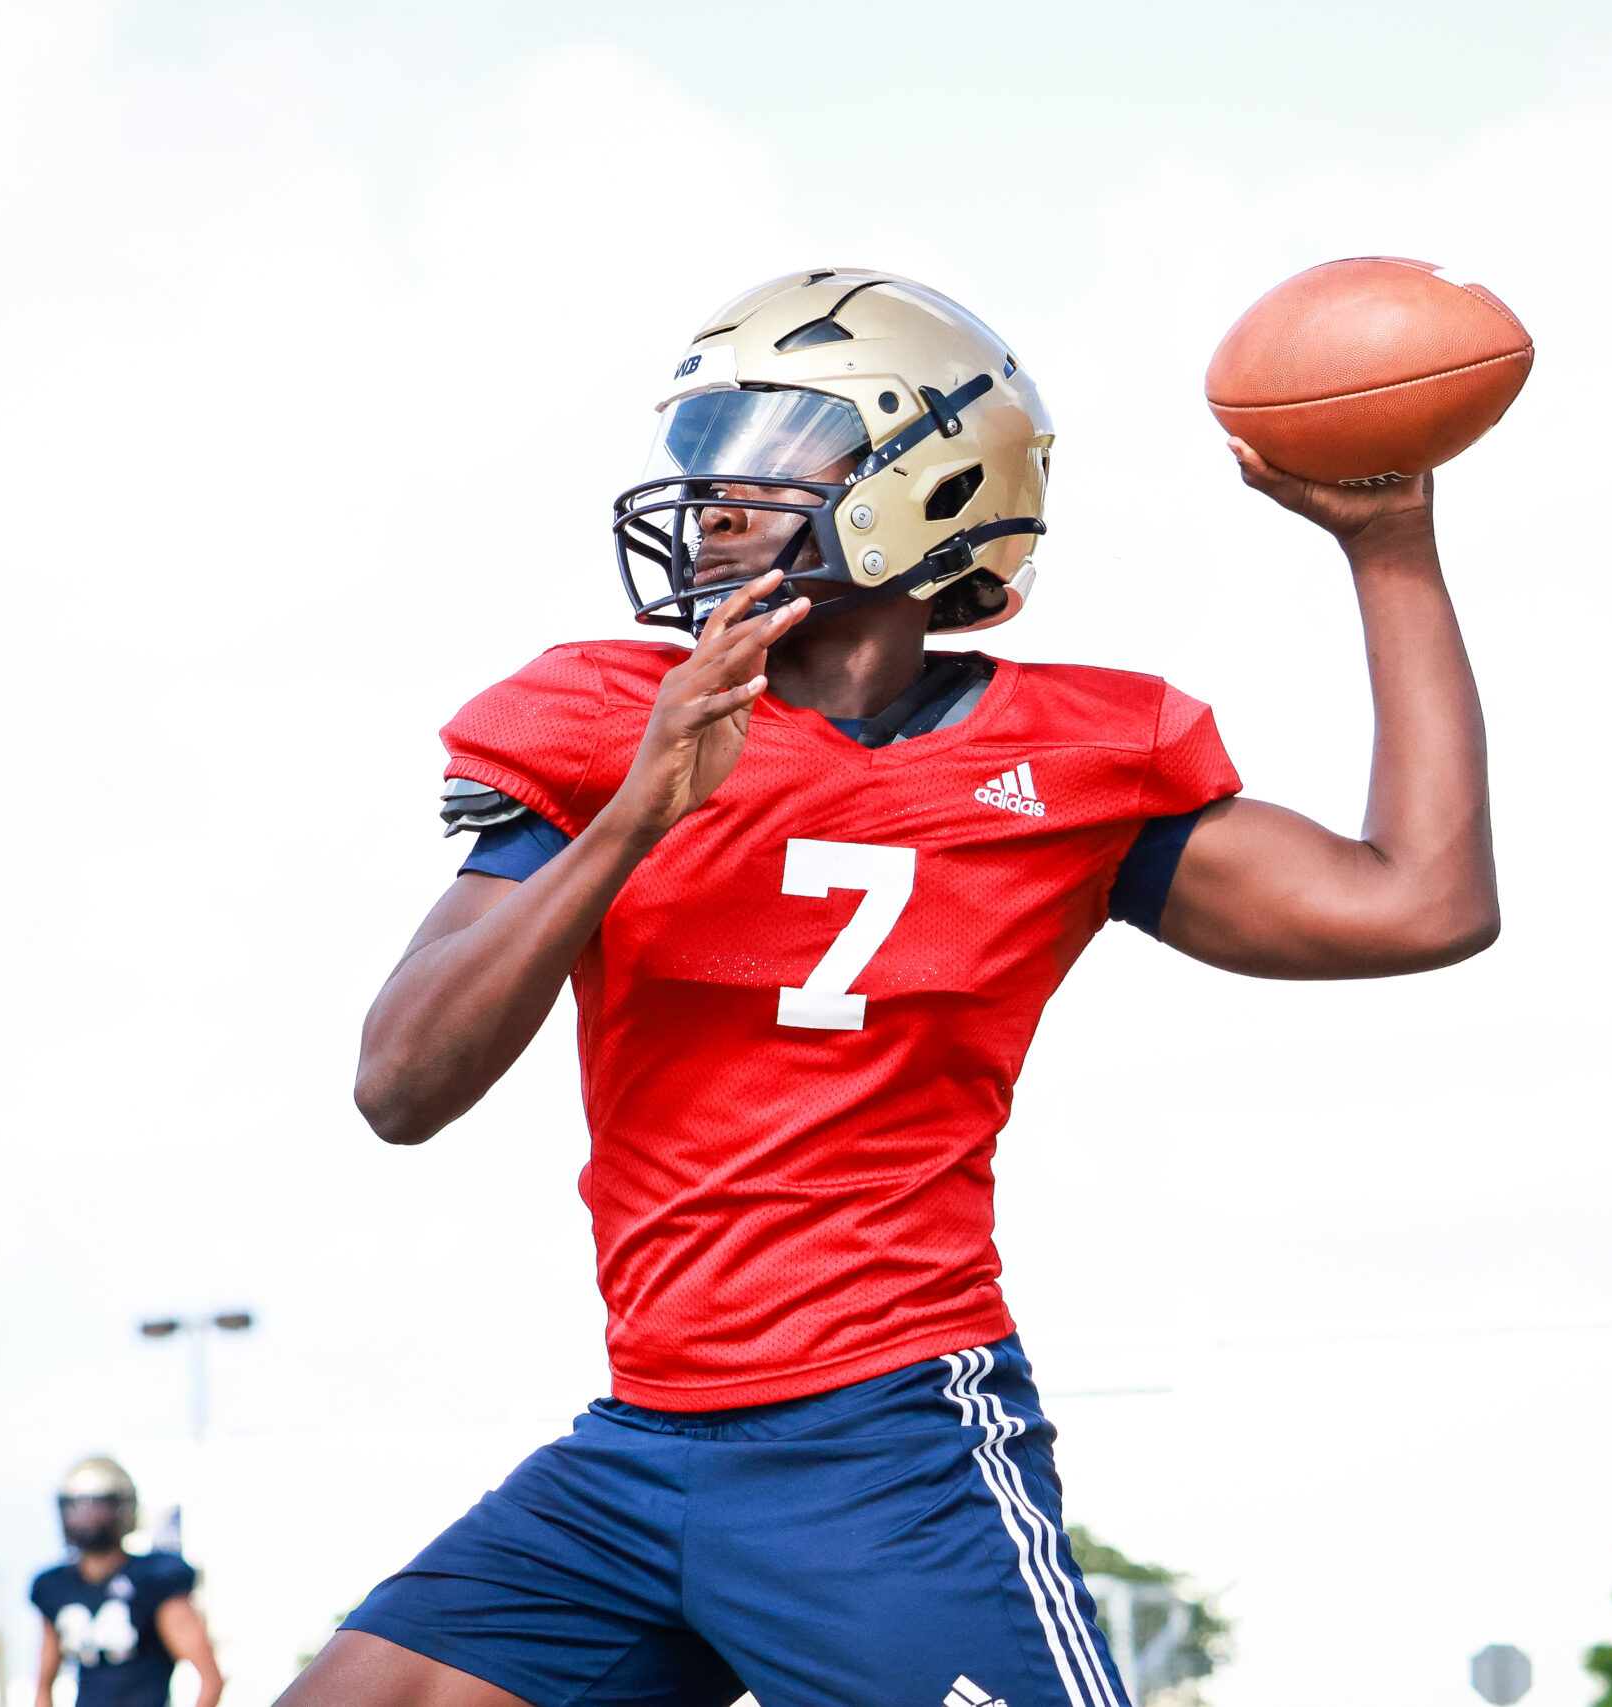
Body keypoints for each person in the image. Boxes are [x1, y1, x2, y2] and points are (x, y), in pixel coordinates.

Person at [292, 268, 1498, 1707]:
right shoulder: (608, 716)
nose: (711, 490)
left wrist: (1390, 547)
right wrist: (636, 814)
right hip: (641, 1448)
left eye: (764, 443)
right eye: (702, 448)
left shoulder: (1079, 760)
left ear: (922, 474)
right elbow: (400, 1086)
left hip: (884, 1444)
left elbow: (1423, 901)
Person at [29, 1459, 221, 1707]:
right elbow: (43, 1687)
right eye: (77, 1506)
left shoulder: (154, 1578)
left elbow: (210, 1678)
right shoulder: (56, 1586)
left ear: (122, 1508)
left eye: (96, 1506)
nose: (86, 1517)